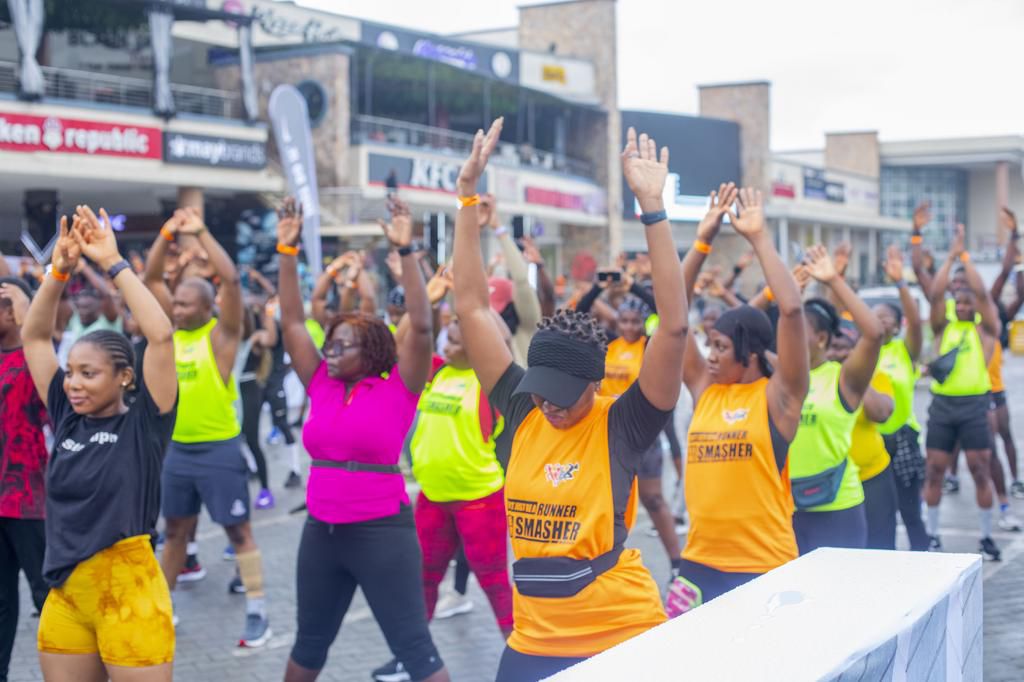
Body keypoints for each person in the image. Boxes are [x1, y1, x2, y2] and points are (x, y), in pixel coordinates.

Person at [454, 120, 688, 681]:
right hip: (534, 634)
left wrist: (652, 209)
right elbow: (469, 307)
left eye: (563, 397)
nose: (550, 407)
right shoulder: (521, 407)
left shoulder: (624, 421)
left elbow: (675, 329)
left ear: (595, 384)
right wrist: (466, 195)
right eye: (542, 392)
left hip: (620, 631)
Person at [276, 197, 448, 682]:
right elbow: (292, 322)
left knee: (415, 649)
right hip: (321, 534)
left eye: (341, 346)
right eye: (329, 344)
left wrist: (407, 250)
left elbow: (422, 321)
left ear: (372, 351)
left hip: (381, 535)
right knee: (309, 645)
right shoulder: (322, 382)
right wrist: (285, 253)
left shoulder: (400, 384)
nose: (329, 351)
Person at [22, 208, 178, 681]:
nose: (73, 384)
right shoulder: (67, 415)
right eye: (71, 373)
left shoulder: (145, 423)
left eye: (88, 375)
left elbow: (161, 335)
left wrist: (113, 262)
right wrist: (58, 271)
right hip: (66, 597)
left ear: (124, 377)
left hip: (130, 595)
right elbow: (33, 336)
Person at [667, 184, 807, 615]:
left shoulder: (778, 396)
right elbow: (673, 313)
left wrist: (759, 238)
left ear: (749, 355)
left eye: (720, 347)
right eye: (708, 345)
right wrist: (702, 241)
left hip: (765, 566)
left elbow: (792, 311)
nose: (709, 355)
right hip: (699, 563)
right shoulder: (704, 388)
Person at [144, 207, 271, 646]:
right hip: (177, 450)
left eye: (183, 304)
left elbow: (232, 281)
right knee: (175, 531)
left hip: (218, 448)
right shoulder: (171, 334)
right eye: (174, 302)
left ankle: (258, 610)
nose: (175, 309)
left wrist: (201, 232)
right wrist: (167, 232)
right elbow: (151, 279)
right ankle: (165, 606)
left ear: (206, 307)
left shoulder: (221, 336)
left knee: (239, 532)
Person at [372, 317, 515, 682]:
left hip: (479, 500)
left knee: (494, 582)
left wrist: (476, 312)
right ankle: (410, 658)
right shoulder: (437, 373)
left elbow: (505, 341)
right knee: (422, 578)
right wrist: (429, 299)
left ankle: (519, 657)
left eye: (453, 343)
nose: (445, 349)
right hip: (433, 498)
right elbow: (403, 346)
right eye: (445, 341)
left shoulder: (490, 382)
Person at [788, 245, 884, 554]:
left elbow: (874, 334)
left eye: (798, 329)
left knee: (840, 599)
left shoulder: (842, 378)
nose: (789, 334)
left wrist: (833, 279)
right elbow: (748, 331)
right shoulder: (780, 375)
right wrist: (784, 293)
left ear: (821, 339)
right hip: (785, 508)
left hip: (837, 507)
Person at [924, 225, 1001, 559]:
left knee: (980, 469)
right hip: (943, 406)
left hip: (973, 406)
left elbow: (983, 293)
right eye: (960, 301)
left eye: (969, 301)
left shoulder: (985, 331)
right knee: (934, 471)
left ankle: (985, 536)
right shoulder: (944, 328)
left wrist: (965, 257)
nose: (964, 305)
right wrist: (950, 257)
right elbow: (936, 294)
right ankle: (932, 534)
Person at [598, 295, 682, 573]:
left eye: (636, 321)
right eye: (624, 321)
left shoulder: (648, 346)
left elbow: (665, 313)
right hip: (608, 432)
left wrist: (632, 286)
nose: (630, 327)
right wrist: (598, 288)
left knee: (653, 499)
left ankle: (677, 563)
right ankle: (604, 564)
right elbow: (587, 305)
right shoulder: (610, 345)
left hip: (642, 432)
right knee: (605, 502)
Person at [0, 277, 50, 682]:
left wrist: (29, 310)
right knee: (0, 602)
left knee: (48, 596)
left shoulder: (40, 359)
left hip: (31, 500)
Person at [875, 245, 929, 550]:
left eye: (884, 317)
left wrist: (900, 283)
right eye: (873, 317)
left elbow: (915, 321)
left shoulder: (903, 351)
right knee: (880, 518)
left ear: (896, 325)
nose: (879, 321)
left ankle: (924, 563)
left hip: (903, 440)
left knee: (911, 515)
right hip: (871, 444)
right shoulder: (861, 354)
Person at [827, 322, 897, 549]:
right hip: (832, 486)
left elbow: (882, 413)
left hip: (872, 478)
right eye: (833, 347)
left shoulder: (875, 376)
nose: (836, 354)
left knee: (880, 549)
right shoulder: (815, 377)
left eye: (845, 348)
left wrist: (856, 377)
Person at [478, 193, 542, 366]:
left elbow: (521, 279)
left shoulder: (525, 326)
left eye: (498, 309)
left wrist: (498, 228)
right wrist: (474, 228)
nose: (494, 316)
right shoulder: (481, 334)